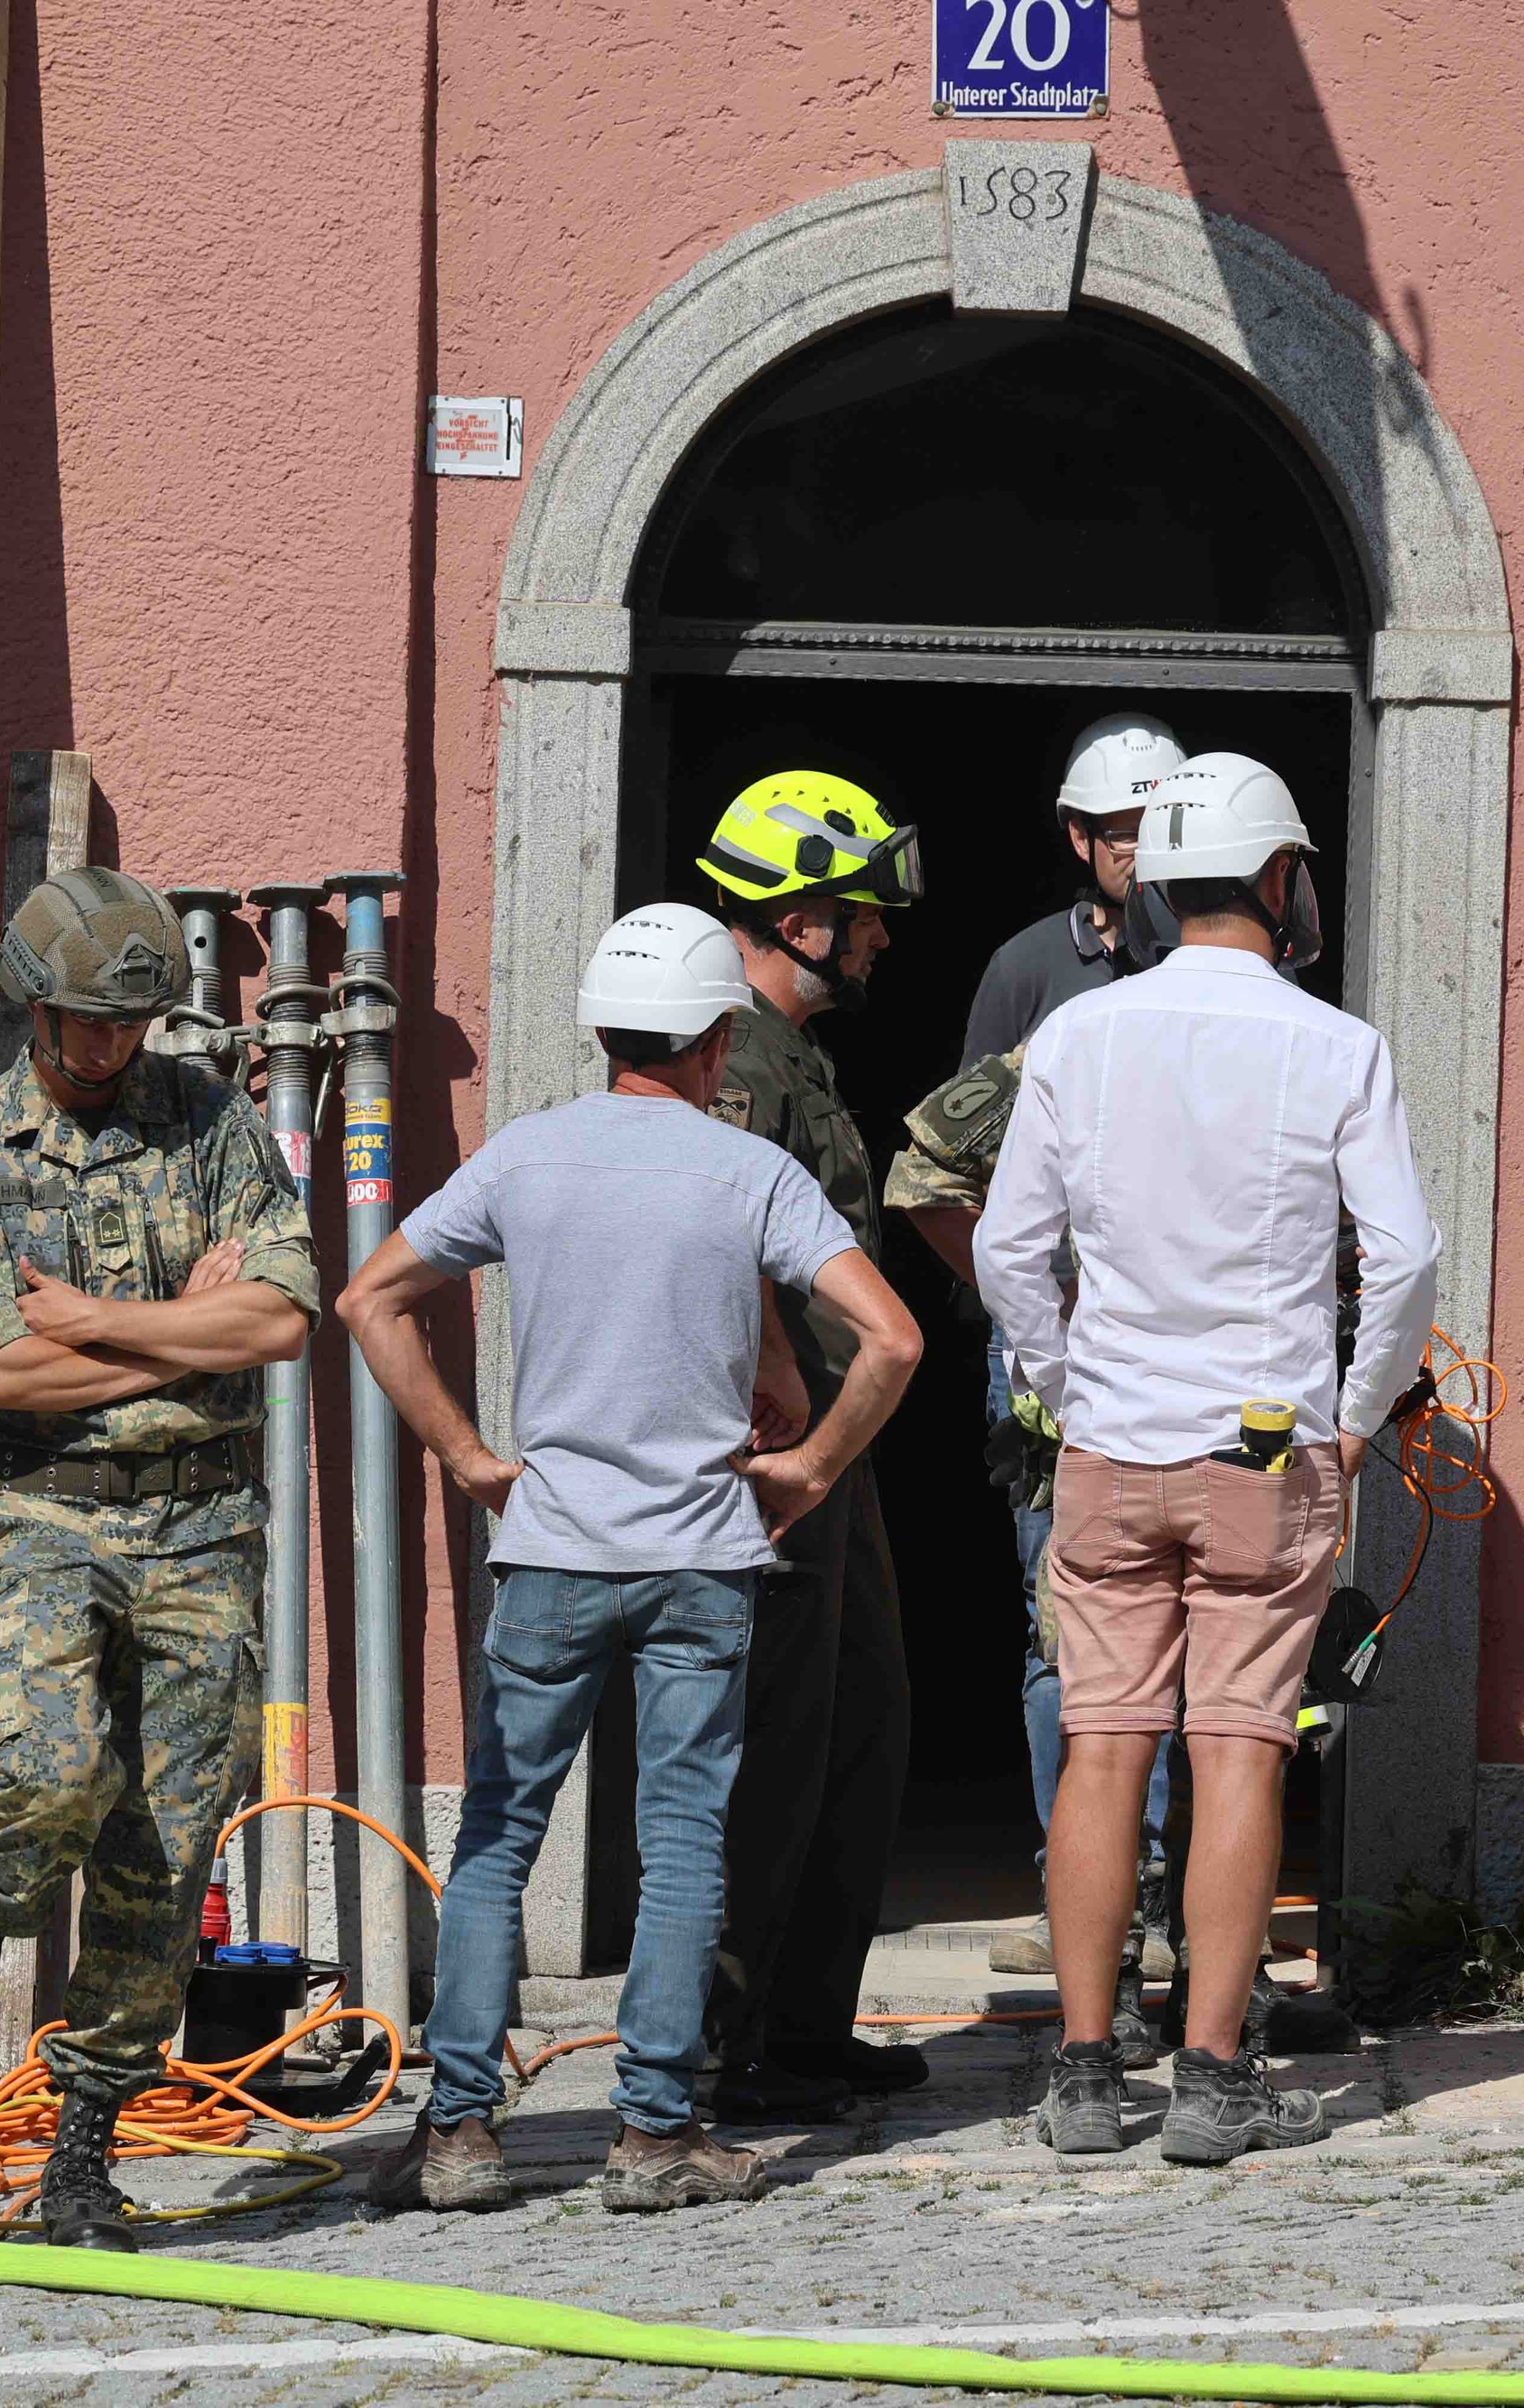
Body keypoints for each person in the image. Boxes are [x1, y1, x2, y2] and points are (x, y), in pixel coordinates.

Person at [340, 904, 923, 2214]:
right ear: (717, 1039)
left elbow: (369, 1298)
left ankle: (459, 2134)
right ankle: (656, 2136)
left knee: (498, 1838)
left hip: (551, 1549)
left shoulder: (525, 1154)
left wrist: (466, 1456)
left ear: (604, 1033)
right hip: (701, 1560)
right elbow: (893, 1340)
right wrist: (811, 1469)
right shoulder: (748, 1172)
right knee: (685, 1843)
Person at [977, 751, 1438, 2165]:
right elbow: (1404, 1258)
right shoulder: (1335, 1044)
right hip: (1265, 1453)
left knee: (1104, 1744)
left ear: (1161, 887)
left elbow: (1006, 1247)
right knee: (1242, 1751)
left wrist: (1061, 1386)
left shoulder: (1080, 1036)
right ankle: (1212, 2076)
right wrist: (1355, 1414)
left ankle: (1080, 2071)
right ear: (1283, 879)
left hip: (1111, 1449)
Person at [0, 866, 319, 2247]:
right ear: (33, 1006)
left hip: (205, 1520)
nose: (110, 1044)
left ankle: (83, 2147)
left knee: (166, 1843)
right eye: (87, 1019)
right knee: (48, 1764)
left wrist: (89, 1320)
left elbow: (280, 1323)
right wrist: (178, 1332)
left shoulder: (213, 1123)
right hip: (46, 1513)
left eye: (130, 1023)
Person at [925, 711, 1185, 1985]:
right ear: (1080, 838)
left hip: (1186, 1346)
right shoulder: (1028, 968)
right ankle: (1081, 1892)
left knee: (1200, 1630)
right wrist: (1018, 1309)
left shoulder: (1231, 960)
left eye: (1158, 825)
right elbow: (956, 1157)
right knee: (1058, 1628)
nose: (1139, 849)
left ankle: (1176, 1900)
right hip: (1050, 1348)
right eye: (1119, 829)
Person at [692, 767, 926, 2121]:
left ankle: (803, 2024)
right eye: (865, 911)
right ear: (797, 921)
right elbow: (722, 1246)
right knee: (774, 1747)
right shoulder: (734, 1056)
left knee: (859, 1729)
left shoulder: (791, 1056)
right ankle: (726, 2049)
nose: (883, 935)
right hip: (775, 1465)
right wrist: (781, 1401)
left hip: (837, 1454)